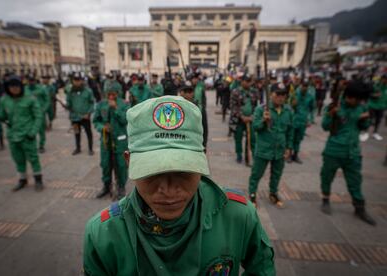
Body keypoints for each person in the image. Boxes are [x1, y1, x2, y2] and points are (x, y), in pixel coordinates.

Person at [83, 96, 275, 275]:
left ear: (203, 157)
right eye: (153, 171)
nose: (168, 189)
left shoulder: (238, 217)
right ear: (129, 161)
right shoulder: (103, 235)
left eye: (184, 170)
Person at [319, 81, 376, 225]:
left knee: (355, 181)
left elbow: (363, 126)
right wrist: (331, 115)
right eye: (353, 98)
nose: (355, 101)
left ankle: (359, 207)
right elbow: (325, 127)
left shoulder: (361, 107)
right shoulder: (335, 106)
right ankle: (325, 199)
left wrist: (366, 118)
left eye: (358, 99)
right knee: (327, 176)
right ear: (348, 96)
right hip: (333, 150)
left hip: (353, 153)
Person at [0, 76, 44, 191]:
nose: (14, 89)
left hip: (27, 135)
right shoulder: (4, 100)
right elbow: (3, 116)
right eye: (11, 86)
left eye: (17, 86)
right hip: (13, 135)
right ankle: (22, 180)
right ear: (7, 87)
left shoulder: (30, 99)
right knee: (18, 159)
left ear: (21, 86)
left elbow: (38, 116)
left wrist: (33, 131)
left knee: (33, 158)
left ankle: (38, 180)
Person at [248, 83, 293, 208]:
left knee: (277, 173)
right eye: (278, 94)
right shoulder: (261, 109)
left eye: (283, 94)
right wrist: (263, 120)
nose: (281, 97)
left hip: (279, 149)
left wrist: (289, 147)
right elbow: (255, 127)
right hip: (264, 149)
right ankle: (252, 194)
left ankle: (273, 193)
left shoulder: (288, 110)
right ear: (271, 94)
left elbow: (290, 131)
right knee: (256, 174)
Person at [93, 82, 129, 199]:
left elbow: (125, 120)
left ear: (118, 93)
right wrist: (102, 127)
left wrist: (116, 109)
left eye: (113, 94)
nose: (111, 97)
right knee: (105, 164)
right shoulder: (100, 105)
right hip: (106, 141)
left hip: (120, 141)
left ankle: (121, 187)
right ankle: (106, 186)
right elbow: (96, 121)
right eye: (108, 94)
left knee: (121, 165)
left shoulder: (124, 104)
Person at [66, 72, 95, 156]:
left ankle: (90, 149)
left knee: (88, 132)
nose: (77, 82)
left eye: (79, 80)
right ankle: (78, 148)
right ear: (73, 81)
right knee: (76, 132)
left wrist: (89, 113)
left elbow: (92, 103)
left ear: (82, 81)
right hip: (75, 117)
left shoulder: (88, 91)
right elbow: (68, 103)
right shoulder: (70, 91)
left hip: (85, 117)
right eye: (75, 80)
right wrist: (67, 105)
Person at [229, 75, 255, 166]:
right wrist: (241, 116)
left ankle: (249, 157)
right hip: (239, 120)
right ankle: (239, 155)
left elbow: (256, 105)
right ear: (242, 81)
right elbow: (233, 106)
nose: (248, 83)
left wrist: (252, 116)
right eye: (246, 81)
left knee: (251, 138)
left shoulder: (254, 91)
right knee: (238, 138)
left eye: (249, 81)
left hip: (251, 119)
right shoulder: (236, 92)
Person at [288, 81, 315, 164]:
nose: (304, 88)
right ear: (300, 86)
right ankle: (289, 155)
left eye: (306, 87)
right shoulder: (295, 94)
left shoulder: (310, 96)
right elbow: (289, 106)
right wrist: (293, 104)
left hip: (303, 121)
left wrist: (310, 120)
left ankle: (295, 155)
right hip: (293, 120)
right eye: (303, 86)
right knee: (291, 138)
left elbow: (312, 108)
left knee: (298, 139)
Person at [25, 75, 49, 153]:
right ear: (27, 81)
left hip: (39, 113)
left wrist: (44, 109)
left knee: (41, 130)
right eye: (30, 80)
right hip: (29, 114)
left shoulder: (41, 89)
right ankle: (32, 146)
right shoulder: (25, 89)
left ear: (35, 81)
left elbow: (47, 100)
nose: (31, 82)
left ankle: (41, 146)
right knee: (30, 129)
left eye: (32, 80)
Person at [360, 74, 387, 141]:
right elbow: (368, 94)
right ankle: (365, 133)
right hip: (372, 105)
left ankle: (375, 133)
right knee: (369, 119)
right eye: (385, 79)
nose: (385, 80)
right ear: (382, 78)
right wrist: (374, 95)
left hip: (382, 106)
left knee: (378, 120)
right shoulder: (375, 85)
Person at [191, 72, 208, 151]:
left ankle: (204, 144)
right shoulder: (188, 87)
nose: (195, 80)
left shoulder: (200, 87)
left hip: (201, 110)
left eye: (196, 79)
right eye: (193, 79)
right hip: (191, 111)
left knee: (204, 127)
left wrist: (203, 107)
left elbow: (204, 98)